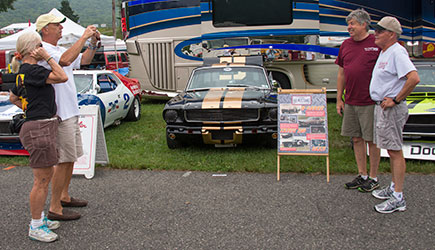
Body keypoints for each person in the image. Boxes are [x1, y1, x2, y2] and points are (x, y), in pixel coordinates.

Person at [35, 13, 100, 220]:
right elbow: (64, 61)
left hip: (71, 111)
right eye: (57, 26)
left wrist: (93, 43)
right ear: (45, 29)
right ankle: (55, 208)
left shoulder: (59, 49)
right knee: (63, 160)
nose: (61, 29)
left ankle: (64, 195)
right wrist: (83, 37)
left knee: (71, 158)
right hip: (60, 113)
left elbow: (84, 60)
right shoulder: (42, 51)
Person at [9, 31, 68, 242]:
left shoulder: (24, 72)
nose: (43, 47)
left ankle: (40, 219)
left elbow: (13, 96)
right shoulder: (33, 70)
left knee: (45, 176)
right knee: (41, 181)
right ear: (34, 49)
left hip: (39, 125)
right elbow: (62, 76)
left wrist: (30, 109)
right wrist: (49, 57)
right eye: (40, 45)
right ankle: (35, 225)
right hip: (40, 128)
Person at [369, 16, 420, 213]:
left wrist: (396, 99)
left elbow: (413, 78)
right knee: (390, 150)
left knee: (395, 151)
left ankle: (398, 197)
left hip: (391, 109)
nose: (376, 34)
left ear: (391, 34)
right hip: (382, 108)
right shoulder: (386, 52)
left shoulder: (397, 52)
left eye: (380, 31)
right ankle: (393, 188)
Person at [335, 9, 381, 192]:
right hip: (351, 100)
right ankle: (362, 174)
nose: (349, 27)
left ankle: (374, 177)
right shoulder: (345, 45)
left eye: (352, 23)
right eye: (349, 24)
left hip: (370, 101)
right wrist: (339, 98)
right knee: (356, 138)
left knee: (372, 140)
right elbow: (341, 73)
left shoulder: (376, 43)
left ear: (364, 24)